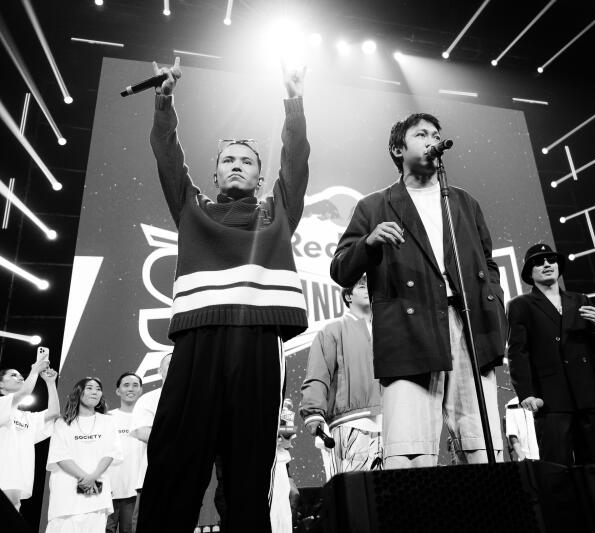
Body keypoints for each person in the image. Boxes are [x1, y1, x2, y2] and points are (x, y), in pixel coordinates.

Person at [137, 57, 310, 533]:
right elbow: (167, 155)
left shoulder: (278, 211)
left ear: (259, 176)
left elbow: (295, 162)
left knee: (248, 469)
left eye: (247, 162)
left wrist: (293, 102)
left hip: (257, 342)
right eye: (228, 161)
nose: (237, 166)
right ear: (214, 175)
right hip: (198, 340)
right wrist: (164, 99)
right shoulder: (193, 209)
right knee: (175, 460)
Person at [330, 112, 507, 468]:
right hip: (410, 328)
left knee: (482, 445)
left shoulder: (463, 201)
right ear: (398, 148)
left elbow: (487, 263)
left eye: (436, 134)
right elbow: (340, 268)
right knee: (410, 451)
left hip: (467, 324)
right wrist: (369, 242)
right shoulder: (374, 205)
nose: (432, 139)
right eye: (421, 134)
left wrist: (494, 301)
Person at [506, 243, 595, 466]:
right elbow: (518, 353)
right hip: (550, 400)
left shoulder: (580, 300)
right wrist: (526, 393)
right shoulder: (520, 305)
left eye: (551, 260)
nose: (546, 264)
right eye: (539, 262)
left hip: (587, 396)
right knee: (556, 472)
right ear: (528, 272)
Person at [300, 275, 382, 476]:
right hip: (350, 423)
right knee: (356, 496)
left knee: (391, 497)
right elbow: (318, 374)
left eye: (370, 285)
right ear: (348, 296)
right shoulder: (332, 330)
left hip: (391, 424)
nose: (367, 289)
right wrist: (312, 412)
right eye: (361, 286)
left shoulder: (388, 331)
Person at [45, 377, 123, 533]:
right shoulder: (63, 423)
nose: (95, 391)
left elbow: (110, 452)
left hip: (96, 492)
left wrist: (94, 476)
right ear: (78, 392)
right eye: (89, 388)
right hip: (66, 493)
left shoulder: (108, 422)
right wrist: (85, 477)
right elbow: (60, 456)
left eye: (98, 389)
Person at [0, 351, 59, 511]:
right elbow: (25, 392)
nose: (20, 377)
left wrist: (50, 382)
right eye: (13, 375)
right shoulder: (1, 405)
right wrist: (34, 370)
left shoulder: (27, 417)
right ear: (1, 385)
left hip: (18, 481)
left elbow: (53, 413)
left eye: (21, 375)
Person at [105, 372, 144, 533]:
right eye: (126, 385)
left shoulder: (147, 418)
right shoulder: (107, 418)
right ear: (118, 391)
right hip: (108, 491)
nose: (131, 389)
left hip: (136, 492)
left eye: (135, 385)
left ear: (141, 390)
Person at [130, 354, 170, 493]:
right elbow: (143, 432)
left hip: (185, 477)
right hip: (152, 478)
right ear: (159, 371)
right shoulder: (148, 399)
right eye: (170, 364)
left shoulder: (196, 400)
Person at [504, 397, 539, 461]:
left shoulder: (539, 399)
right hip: (528, 458)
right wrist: (522, 456)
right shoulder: (512, 404)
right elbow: (512, 433)